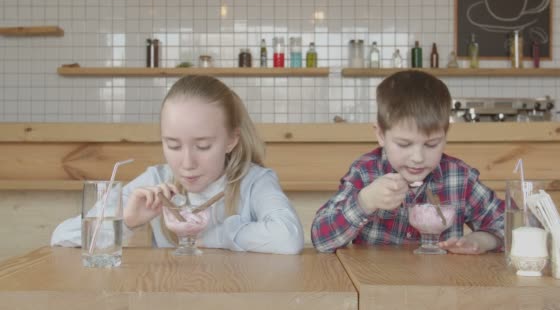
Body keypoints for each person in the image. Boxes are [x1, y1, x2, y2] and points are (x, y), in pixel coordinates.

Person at [52, 75, 304, 255]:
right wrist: (126, 221)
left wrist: (218, 236)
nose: (186, 164)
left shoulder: (255, 182)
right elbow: (61, 237)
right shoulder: (155, 181)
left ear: (231, 140)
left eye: (203, 146)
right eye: (173, 145)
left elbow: (289, 238)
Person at [311, 71, 504, 254]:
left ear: (445, 136)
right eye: (404, 144)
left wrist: (482, 241)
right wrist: (365, 201)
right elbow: (321, 239)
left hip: (444, 286)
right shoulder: (365, 173)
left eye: (431, 144)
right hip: (377, 283)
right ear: (380, 135)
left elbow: (511, 225)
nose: (418, 158)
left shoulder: (460, 177)